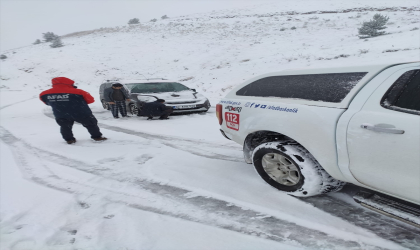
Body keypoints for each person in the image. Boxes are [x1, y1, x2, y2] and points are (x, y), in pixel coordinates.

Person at [40, 77, 107, 144]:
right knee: (91, 124)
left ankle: (69, 139)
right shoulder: (79, 92)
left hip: (60, 113)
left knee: (65, 127)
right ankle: (97, 137)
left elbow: (46, 102)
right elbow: (91, 100)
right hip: (81, 112)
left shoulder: (44, 94)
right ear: (69, 83)